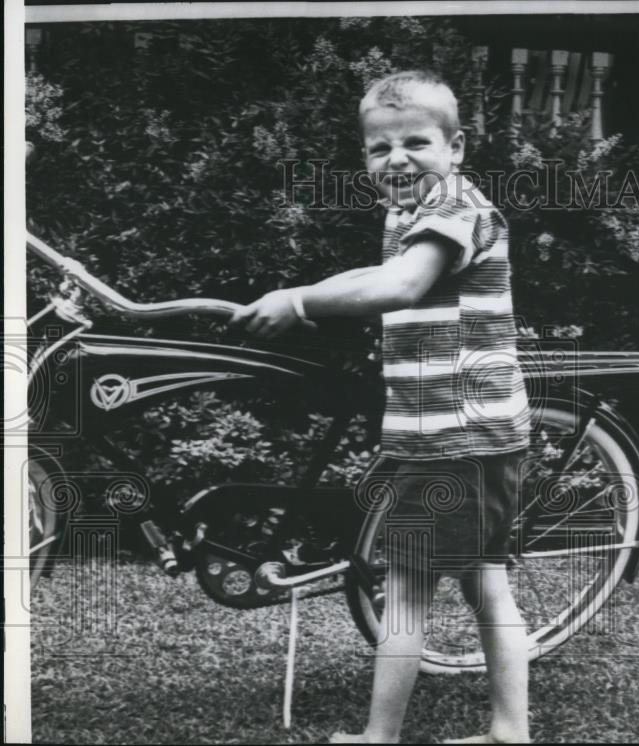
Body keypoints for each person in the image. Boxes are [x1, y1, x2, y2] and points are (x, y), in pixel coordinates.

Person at [231, 70, 532, 744]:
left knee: (406, 594)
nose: (396, 159)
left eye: (416, 142)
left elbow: (402, 283)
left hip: (454, 436)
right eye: (377, 149)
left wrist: (302, 303)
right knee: (484, 585)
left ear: (456, 148)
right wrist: (302, 292)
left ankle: (379, 737)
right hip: (469, 436)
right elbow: (372, 279)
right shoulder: (411, 212)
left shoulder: (457, 207)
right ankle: (510, 730)